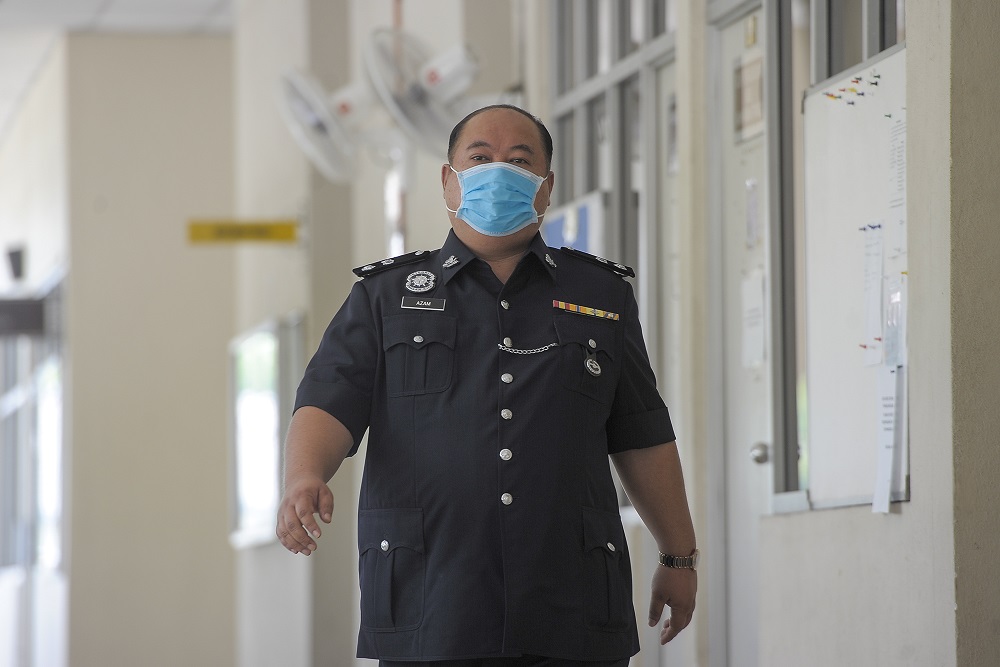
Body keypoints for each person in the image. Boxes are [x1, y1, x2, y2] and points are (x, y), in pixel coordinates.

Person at [276, 104, 697, 667]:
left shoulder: (601, 296)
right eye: (480, 158)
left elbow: (641, 434)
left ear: (545, 189)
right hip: (431, 602)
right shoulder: (385, 297)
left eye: (519, 161)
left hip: (568, 606)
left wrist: (678, 557)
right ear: (448, 179)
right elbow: (329, 400)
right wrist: (304, 475)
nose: (499, 170)